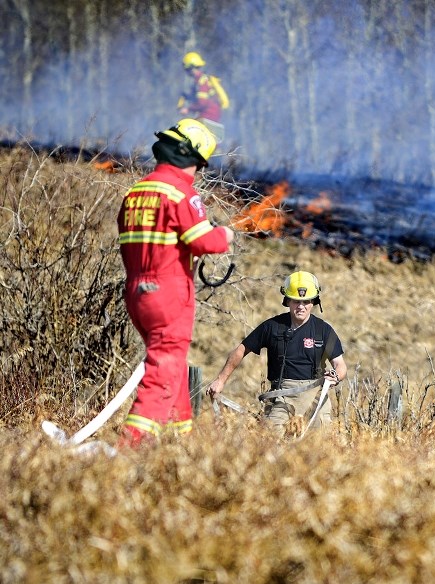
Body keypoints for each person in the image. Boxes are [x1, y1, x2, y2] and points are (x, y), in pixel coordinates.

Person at [117, 118, 235, 447]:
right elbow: (205, 242)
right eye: (199, 164)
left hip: (137, 293)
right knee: (164, 366)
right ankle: (128, 449)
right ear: (189, 158)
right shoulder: (180, 192)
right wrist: (225, 234)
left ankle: (182, 442)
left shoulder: (137, 192)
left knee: (173, 367)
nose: (198, 172)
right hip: (168, 295)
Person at [207, 271, 347, 435]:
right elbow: (241, 350)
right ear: (287, 301)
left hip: (316, 394)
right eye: (296, 301)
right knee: (270, 438)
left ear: (313, 302)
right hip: (282, 396)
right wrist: (220, 380)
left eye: (306, 301)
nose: (301, 306)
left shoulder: (324, 330)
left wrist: (335, 376)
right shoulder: (272, 327)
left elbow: (340, 365)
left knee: (321, 444)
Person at [178, 51, 227, 142]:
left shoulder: (201, 81)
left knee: (193, 133)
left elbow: (202, 103)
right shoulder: (201, 80)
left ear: (191, 68)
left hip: (209, 115)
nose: (187, 72)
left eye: (187, 69)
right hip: (211, 114)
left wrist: (188, 109)